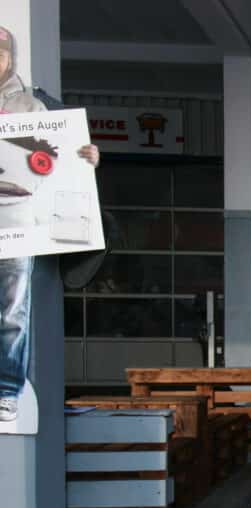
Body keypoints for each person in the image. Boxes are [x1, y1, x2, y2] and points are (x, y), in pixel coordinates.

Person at [0, 24, 99, 422]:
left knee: (11, 311)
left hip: (16, 226)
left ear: (11, 57)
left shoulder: (32, 107)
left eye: (1, 52)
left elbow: (57, 158)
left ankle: (6, 390)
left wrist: (85, 157)